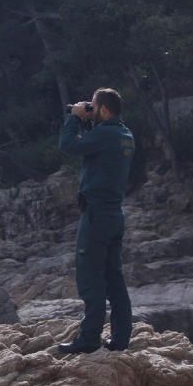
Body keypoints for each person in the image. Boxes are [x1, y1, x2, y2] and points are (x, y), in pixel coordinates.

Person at [57, 87, 134, 354]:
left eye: (93, 106)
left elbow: (68, 146)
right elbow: (95, 150)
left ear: (103, 109)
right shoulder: (124, 135)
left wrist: (75, 118)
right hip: (115, 215)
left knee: (91, 277)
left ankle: (89, 339)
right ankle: (121, 338)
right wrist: (87, 120)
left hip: (96, 216)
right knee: (114, 278)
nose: (88, 108)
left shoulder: (105, 134)